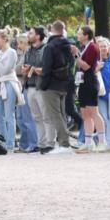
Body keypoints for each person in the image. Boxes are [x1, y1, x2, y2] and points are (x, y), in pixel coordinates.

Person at [38, 21, 73, 155]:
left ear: (52, 30)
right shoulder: (68, 45)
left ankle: (64, 144)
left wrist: (43, 85)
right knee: (62, 114)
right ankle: (64, 142)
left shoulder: (50, 46)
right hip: (64, 84)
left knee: (55, 115)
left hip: (51, 84)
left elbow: (46, 68)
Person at [72, 26, 107, 153]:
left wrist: (76, 55)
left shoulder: (92, 47)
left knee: (94, 112)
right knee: (85, 114)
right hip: (83, 82)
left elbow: (86, 66)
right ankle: (87, 143)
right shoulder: (85, 47)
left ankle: (102, 142)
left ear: (86, 35)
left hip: (90, 81)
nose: (78, 35)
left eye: (80, 33)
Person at [0, 30, 22, 151]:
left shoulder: (11, 52)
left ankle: (10, 144)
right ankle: (3, 141)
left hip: (9, 83)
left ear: (5, 39)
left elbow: (5, 70)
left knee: (9, 115)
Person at [14, 34, 38, 152]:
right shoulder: (23, 54)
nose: (18, 45)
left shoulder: (28, 54)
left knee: (28, 118)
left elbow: (17, 69)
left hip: (26, 86)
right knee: (20, 118)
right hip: (21, 88)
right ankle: (24, 144)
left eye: (20, 42)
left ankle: (34, 143)